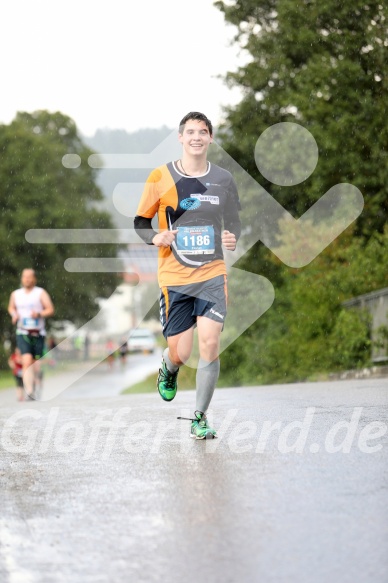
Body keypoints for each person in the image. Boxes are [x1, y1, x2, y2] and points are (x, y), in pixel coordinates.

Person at [134, 112, 241, 439]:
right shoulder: (160, 176)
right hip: (175, 277)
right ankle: (169, 368)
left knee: (210, 342)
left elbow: (233, 221)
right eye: (191, 131)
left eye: (203, 132)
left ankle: (200, 417)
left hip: (212, 273)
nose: (197, 137)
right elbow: (141, 223)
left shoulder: (223, 179)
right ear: (181, 138)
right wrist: (155, 237)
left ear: (210, 139)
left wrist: (232, 236)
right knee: (180, 352)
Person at [8, 268, 55, 400]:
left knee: (35, 364)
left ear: (34, 279)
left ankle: (35, 383)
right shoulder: (16, 294)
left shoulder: (40, 293)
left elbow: (50, 309)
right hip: (22, 332)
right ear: (22, 278)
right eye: (24, 277)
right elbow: (11, 307)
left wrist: (39, 314)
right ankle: (29, 391)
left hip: (38, 333)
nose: (27, 279)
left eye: (29, 277)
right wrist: (14, 314)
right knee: (26, 361)